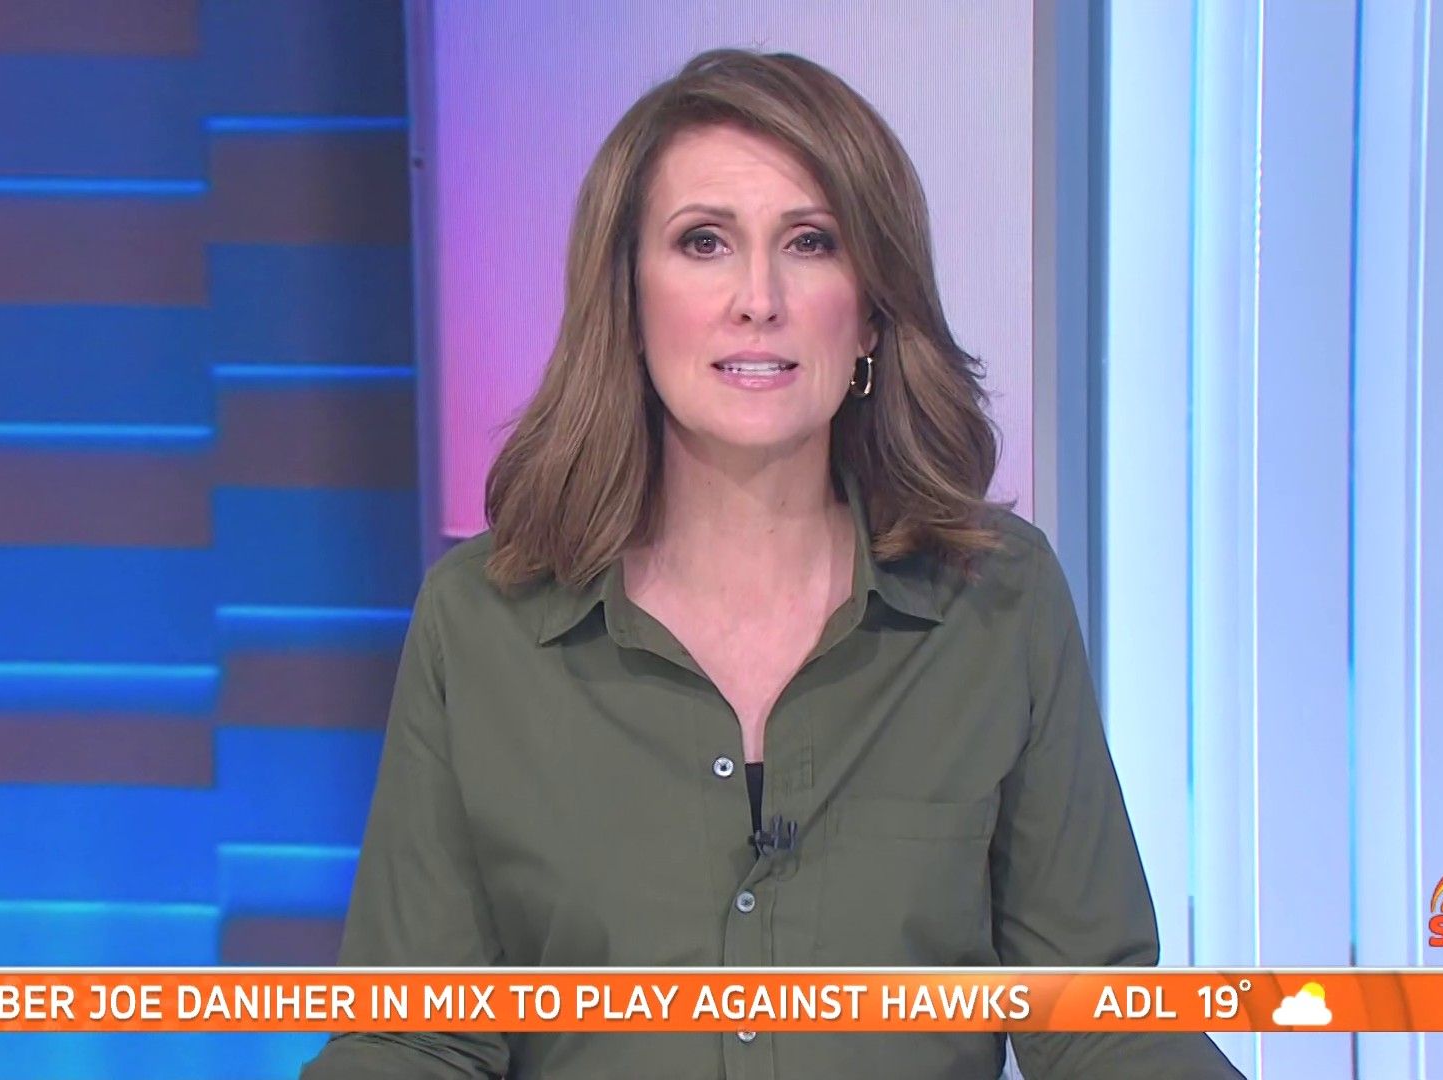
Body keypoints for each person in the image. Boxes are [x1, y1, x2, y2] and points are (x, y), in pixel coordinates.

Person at [301, 47, 1240, 1079]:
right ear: (627, 299)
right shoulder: (482, 622)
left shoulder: (997, 602)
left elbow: (1099, 1016)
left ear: (872, 310)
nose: (759, 298)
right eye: (704, 242)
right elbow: (417, 1037)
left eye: (810, 242)